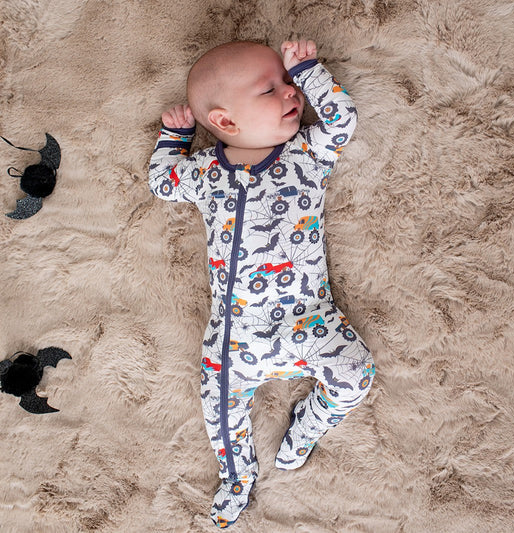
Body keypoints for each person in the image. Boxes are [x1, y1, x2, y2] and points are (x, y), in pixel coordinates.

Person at [148, 39, 375, 528]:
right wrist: (175, 137)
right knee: (217, 405)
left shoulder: (306, 154)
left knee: (356, 372)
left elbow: (342, 120)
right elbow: (163, 183)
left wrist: (309, 69)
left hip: (308, 319)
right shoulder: (206, 171)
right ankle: (237, 476)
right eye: (270, 89)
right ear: (225, 121)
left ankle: (310, 425)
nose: (291, 92)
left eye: (289, 82)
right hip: (235, 336)